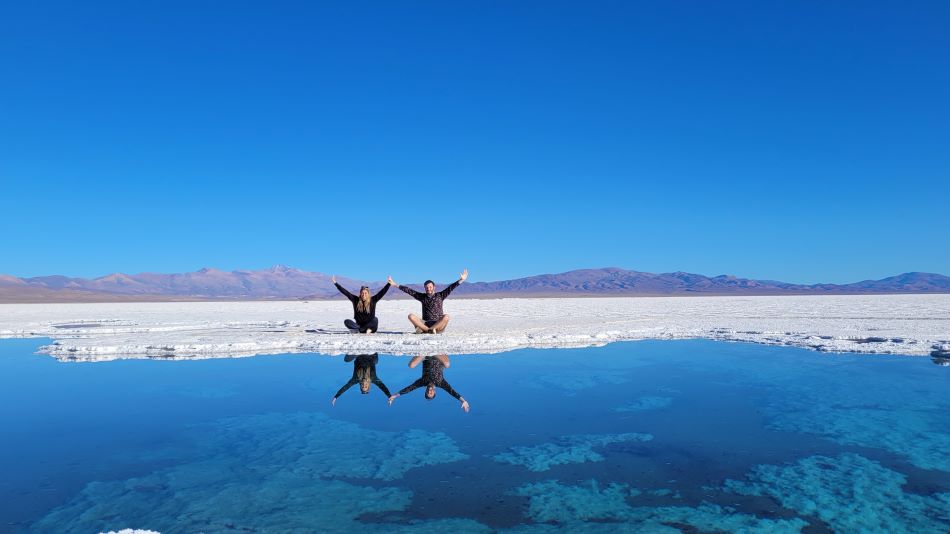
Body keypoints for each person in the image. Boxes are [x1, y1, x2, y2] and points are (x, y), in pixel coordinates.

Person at [387, 269, 467, 334]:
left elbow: (451, 287)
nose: (428, 288)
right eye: (426, 287)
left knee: (446, 317)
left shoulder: (441, 295)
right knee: (411, 316)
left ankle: (431, 329)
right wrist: (395, 284)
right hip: (425, 323)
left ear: (434, 287)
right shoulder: (422, 297)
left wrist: (461, 280)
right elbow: (409, 290)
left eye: (430, 287)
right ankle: (429, 330)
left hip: (438, 324)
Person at [388, 355, 469, 412]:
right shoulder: (441, 383)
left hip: (426, 357)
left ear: (425, 391)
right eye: (431, 393)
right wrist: (463, 401)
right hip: (439, 357)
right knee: (447, 365)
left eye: (427, 393)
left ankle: (425, 352)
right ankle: (434, 352)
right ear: (434, 392)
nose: (429, 391)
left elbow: (409, 389)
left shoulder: (423, 382)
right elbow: (452, 392)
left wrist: (395, 396)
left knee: (411, 365)